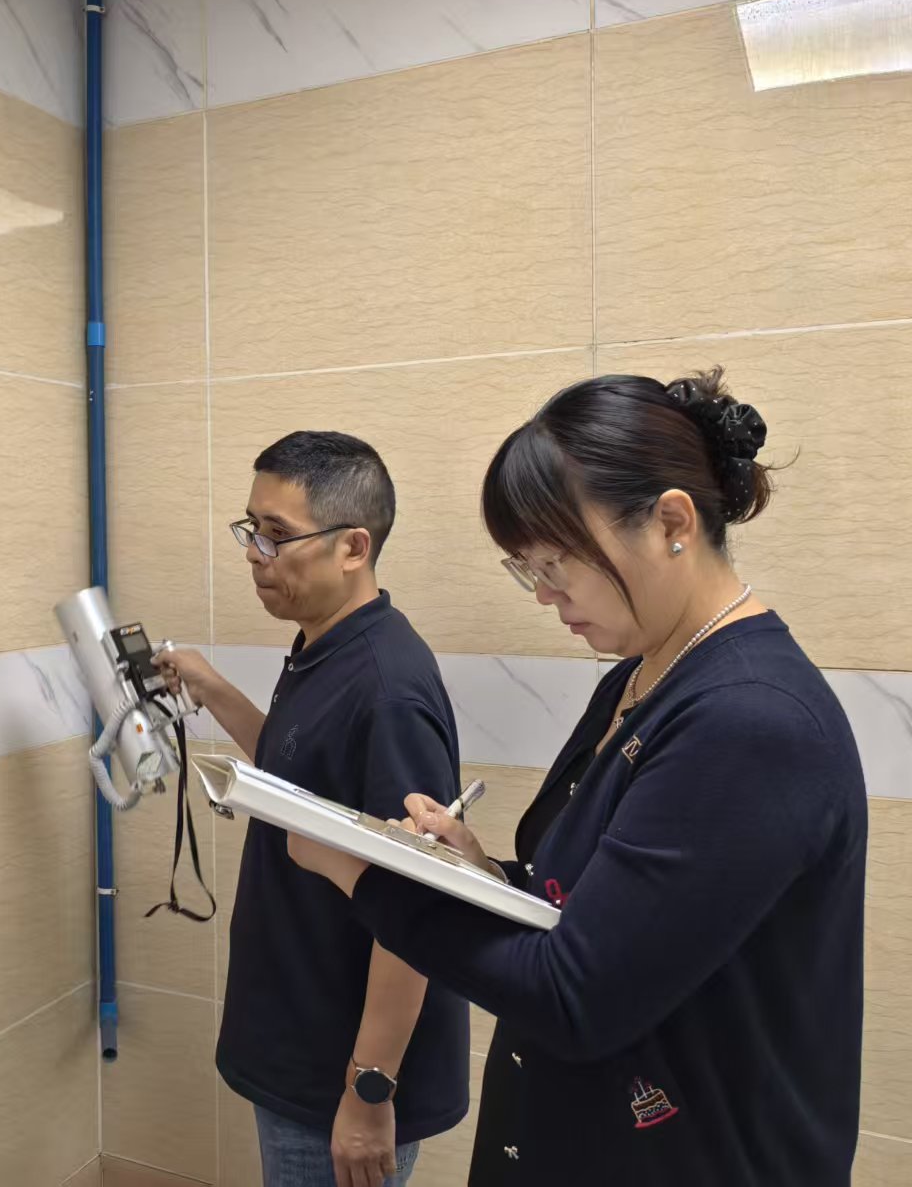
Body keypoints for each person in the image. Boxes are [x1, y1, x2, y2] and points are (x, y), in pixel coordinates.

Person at [286, 370, 867, 1186]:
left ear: (672, 521)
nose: (544, 595)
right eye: (526, 569)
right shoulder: (642, 674)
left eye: (555, 563)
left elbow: (576, 997)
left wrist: (362, 874)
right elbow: (593, 905)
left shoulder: (753, 720)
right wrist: (478, 871)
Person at [156, 431, 470, 1187]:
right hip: (300, 1036)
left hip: (340, 1075)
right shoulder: (324, 646)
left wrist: (368, 1092)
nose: (254, 554)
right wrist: (212, 687)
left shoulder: (387, 691)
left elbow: (416, 908)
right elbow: (301, 776)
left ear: (353, 546)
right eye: (250, 529)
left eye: (277, 536)